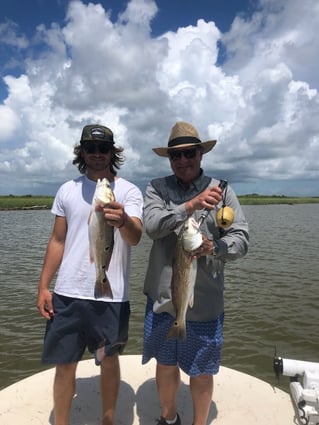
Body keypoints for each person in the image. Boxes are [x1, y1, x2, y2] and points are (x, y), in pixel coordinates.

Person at [142, 121, 249, 425]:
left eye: (190, 153)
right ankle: (169, 417)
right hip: (163, 299)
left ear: (201, 154)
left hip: (206, 302)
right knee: (164, 363)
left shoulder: (223, 190)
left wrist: (213, 247)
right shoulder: (157, 188)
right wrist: (189, 206)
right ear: (169, 159)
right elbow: (151, 226)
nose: (183, 160)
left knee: (202, 370)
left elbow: (241, 240)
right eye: (175, 155)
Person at [36, 124, 143, 425]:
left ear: (113, 152)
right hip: (67, 294)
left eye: (104, 149)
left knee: (109, 361)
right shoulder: (67, 190)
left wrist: (122, 220)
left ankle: (108, 420)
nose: (97, 155)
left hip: (111, 293)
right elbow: (57, 240)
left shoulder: (129, 191)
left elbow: (135, 237)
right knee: (64, 364)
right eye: (91, 148)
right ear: (82, 151)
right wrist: (44, 286)